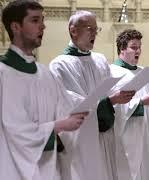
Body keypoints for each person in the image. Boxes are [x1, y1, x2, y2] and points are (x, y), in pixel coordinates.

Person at [0, 1, 88, 180]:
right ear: (15, 27)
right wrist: (59, 126)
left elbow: (66, 110)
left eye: (43, 20)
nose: (43, 26)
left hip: (49, 168)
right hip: (13, 169)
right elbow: (14, 131)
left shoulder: (46, 74)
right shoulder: (3, 74)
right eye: (35, 20)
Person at [49, 10, 136, 180]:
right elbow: (69, 105)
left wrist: (120, 97)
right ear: (73, 31)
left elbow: (109, 91)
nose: (94, 34)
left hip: (107, 137)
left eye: (97, 29)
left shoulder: (100, 60)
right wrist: (110, 101)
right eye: (90, 29)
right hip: (84, 142)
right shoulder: (59, 65)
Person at [110, 29, 149, 180]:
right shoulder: (113, 72)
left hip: (148, 133)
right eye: (133, 47)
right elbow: (113, 105)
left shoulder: (145, 72)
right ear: (122, 49)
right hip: (129, 135)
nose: (138, 51)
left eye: (139, 47)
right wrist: (141, 103)